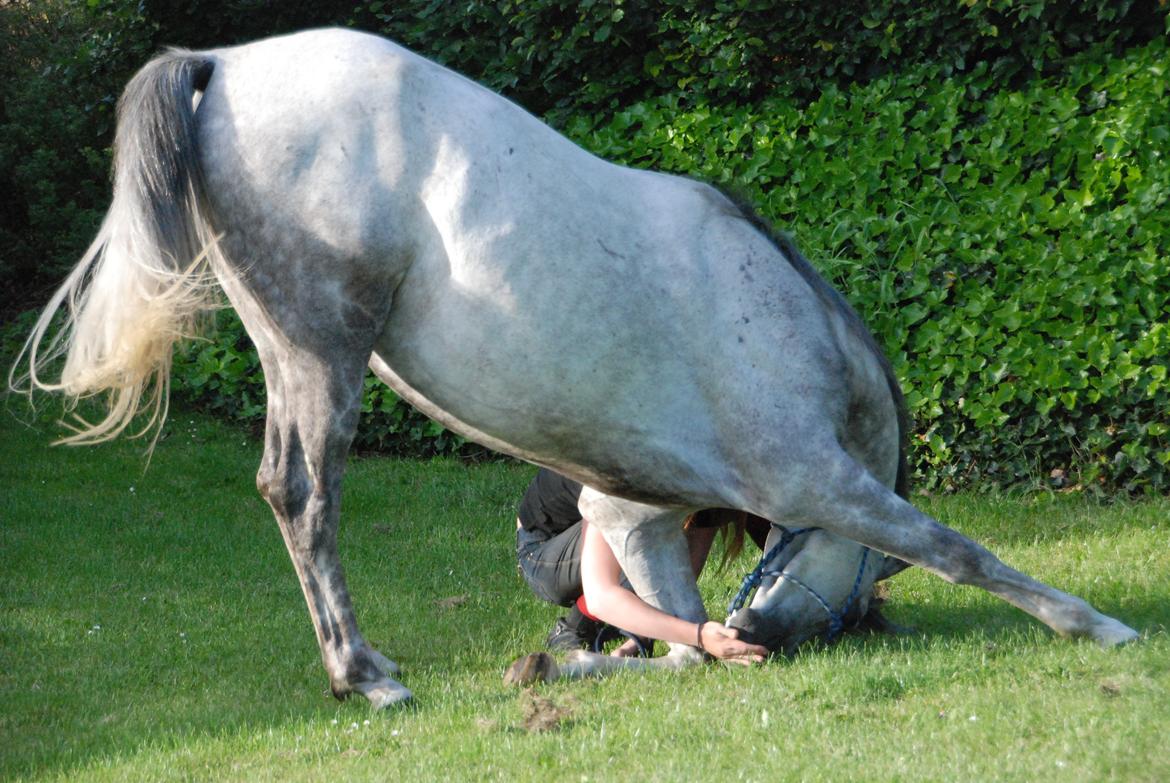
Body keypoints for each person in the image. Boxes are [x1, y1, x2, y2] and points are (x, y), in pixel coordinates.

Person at [516, 468, 770, 662]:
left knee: (657, 541)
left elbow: (683, 569)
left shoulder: (706, 464)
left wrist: (642, 637)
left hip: (612, 522)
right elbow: (601, 595)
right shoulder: (616, 470)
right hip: (542, 551)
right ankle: (575, 626)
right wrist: (699, 635)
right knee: (640, 540)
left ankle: (633, 625)